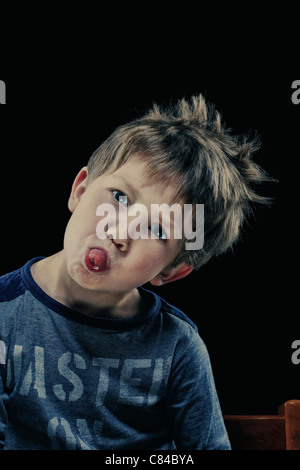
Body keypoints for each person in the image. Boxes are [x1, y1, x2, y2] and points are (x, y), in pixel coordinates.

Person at [0, 94, 271, 450]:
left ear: (171, 271)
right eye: (120, 197)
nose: (121, 230)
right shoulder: (5, 314)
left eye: (158, 231)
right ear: (80, 190)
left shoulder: (177, 347)